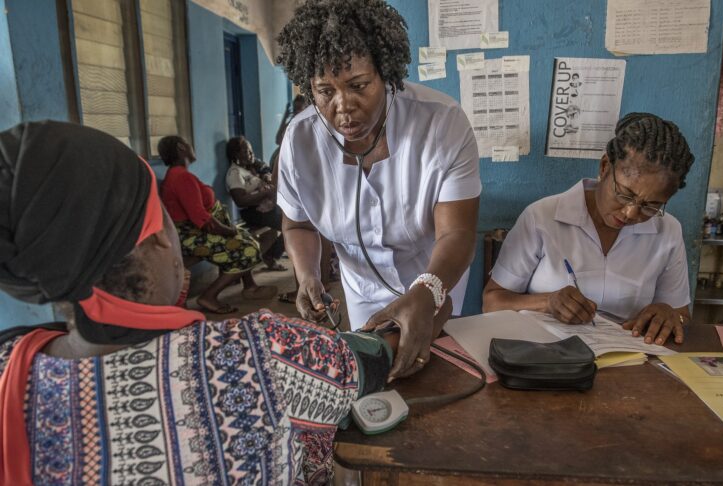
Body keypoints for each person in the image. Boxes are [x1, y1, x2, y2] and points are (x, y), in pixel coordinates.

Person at [0, 121, 445, 484]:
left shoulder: (9, 366)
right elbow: (371, 358)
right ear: (157, 236)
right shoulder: (258, 355)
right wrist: (429, 301)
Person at [276, 0, 481, 379]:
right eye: (324, 91)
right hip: (361, 290)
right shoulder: (299, 141)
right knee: (373, 372)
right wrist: (307, 276)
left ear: (385, 73)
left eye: (359, 86)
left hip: (434, 279)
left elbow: (458, 232)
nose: (343, 107)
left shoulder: (441, 122)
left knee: (436, 376)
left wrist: (429, 293)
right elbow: (297, 225)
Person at [484, 113, 695, 346]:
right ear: (605, 167)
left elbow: (681, 315)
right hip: (545, 356)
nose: (630, 213)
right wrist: (547, 302)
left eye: (651, 205)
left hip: (628, 360)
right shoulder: (542, 218)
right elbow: (492, 302)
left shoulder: (669, 231)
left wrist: (669, 314)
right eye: (624, 194)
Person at [158, 135, 276, 314]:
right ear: (182, 148)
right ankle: (208, 296)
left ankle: (250, 287)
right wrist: (229, 231)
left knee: (245, 239)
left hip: (192, 234)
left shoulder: (179, 175)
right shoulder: (181, 178)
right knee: (249, 248)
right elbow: (203, 220)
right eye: (189, 144)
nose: (193, 147)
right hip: (192, 237)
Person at [225, 135, 286, 271]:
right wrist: (265, 193)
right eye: (246, 151)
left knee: (292, 220)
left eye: (251, 150)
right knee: (290, 225)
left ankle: (270, 255)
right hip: (253, 211)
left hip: (267, 207)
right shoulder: (234, 173)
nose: (251, 153)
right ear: (236, 154)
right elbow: (240, 201)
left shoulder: (252, 168)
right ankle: (271, 256)